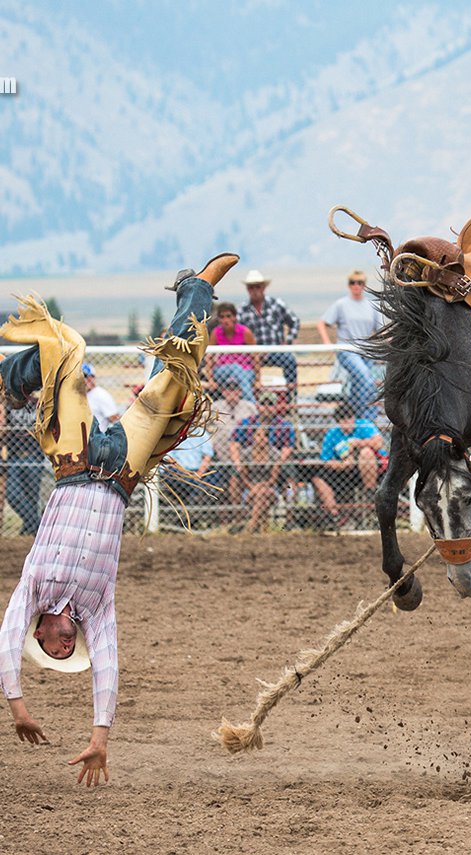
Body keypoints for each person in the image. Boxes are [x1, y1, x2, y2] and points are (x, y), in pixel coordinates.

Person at [0, 251, 239, 785]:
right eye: (67, 651)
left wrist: (17, 707)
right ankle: (196, 290)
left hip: (74, 459)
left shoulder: (32, 591)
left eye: (53, 649)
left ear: (38, 636)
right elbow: (107, 669)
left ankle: (8, 381)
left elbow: (5, 632)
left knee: (69, 351)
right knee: (173, 383)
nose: (65, 648)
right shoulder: (96, 608)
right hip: (123, 472)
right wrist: (98, 737)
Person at [316, 270, 384, 420]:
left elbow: (381, 331)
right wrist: (328, 344)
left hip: (366, 350)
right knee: (364, 377)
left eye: (360, 283)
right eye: (353, 282)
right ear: (349, 285)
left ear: (364, 285)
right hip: (347, 349)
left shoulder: (371, 306)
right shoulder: (341, 304)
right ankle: (366, 417)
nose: (356, 286)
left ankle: (353, 415)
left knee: (358, 385)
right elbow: (322, 323)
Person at [230, 390, 296, 533]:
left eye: (270, 404)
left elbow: (287, 449)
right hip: (252, 465)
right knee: (235, 473)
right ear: (258, 406)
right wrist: (238, 462)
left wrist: (278, 462)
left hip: (276, 463)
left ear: (276, 406)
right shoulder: (246, 423)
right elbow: (234, 444)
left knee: (289, 472)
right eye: (263, 404)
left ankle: (289, 518)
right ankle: (238, 517)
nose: (266, 407)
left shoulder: (284, 425)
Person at [311, 401, 386, 526]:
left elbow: (379, 443)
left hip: (368, 469)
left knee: (366, 453)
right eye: (343, 420)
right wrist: (341, 465)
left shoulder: (364, 425)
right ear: (338, 422)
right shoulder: (332, 434)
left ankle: (369, 493)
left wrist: (356, 443)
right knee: (317, 478)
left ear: (353, 418)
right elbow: (326, 460)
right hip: (343, 470)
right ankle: (335, 516)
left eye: (349, 419)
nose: (347, 423)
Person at [236, 269, 300, 396]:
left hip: (276, 350)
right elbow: (239, 333)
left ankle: (291, 397)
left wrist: (287, 342)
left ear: (263, 288)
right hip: (253, 354)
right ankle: (251, 398)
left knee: (289, 360)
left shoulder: (276, 304)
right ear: (247, 289)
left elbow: (294, 321)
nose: (254, 290)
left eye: (257, 287)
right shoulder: (242, 310)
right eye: (251, 287)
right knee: (242, 370)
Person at [209, 378, 257, 516]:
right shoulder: (215, 407)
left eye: (235, 390)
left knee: (238, 479)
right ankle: (232, 514)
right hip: (220, 456)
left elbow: (257, 429)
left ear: (240, 392)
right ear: (223, 392)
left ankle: (242, 513)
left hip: (245, 456)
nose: (232, 393)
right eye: (228, 390)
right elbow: (203, 426)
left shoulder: (248, 407)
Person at [1, 394, 43, 535]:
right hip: (14, 457)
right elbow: (3, 427)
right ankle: (38, 525)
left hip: (34, 456)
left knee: (32, 498)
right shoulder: (8, 405)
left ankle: (29, 529)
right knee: (13, 495)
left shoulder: (38, 404)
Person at [208, 301, 260, 402]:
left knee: (239, 372)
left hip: (245, 370)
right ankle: (252, 404)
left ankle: (247, 405)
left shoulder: (245, 332)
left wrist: (258, 380)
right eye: (222, 317)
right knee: (235, 368)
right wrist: (210, 380)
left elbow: (255, 356)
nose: (225, 320)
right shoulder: (216, 333)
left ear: (235, 317)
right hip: (222, 371)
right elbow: (209, 357)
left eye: (228, 316)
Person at [160, 428, 214, 514]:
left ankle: (193, 508)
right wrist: (186, 473)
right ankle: (193, 507)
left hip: (198, 471)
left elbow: (208, 455)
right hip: (177, 472)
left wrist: (199, 473)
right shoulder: (174, 432)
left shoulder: (201, 432)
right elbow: (169, 458)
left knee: (216, 477)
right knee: (191, 486)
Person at [82, 363, 119, 431]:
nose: (85, 380)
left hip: (96, 439)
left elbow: (116, 420)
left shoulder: (101, 395)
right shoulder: (77, 395)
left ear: (93, 378)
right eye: (82, 377)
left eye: (87, 376)